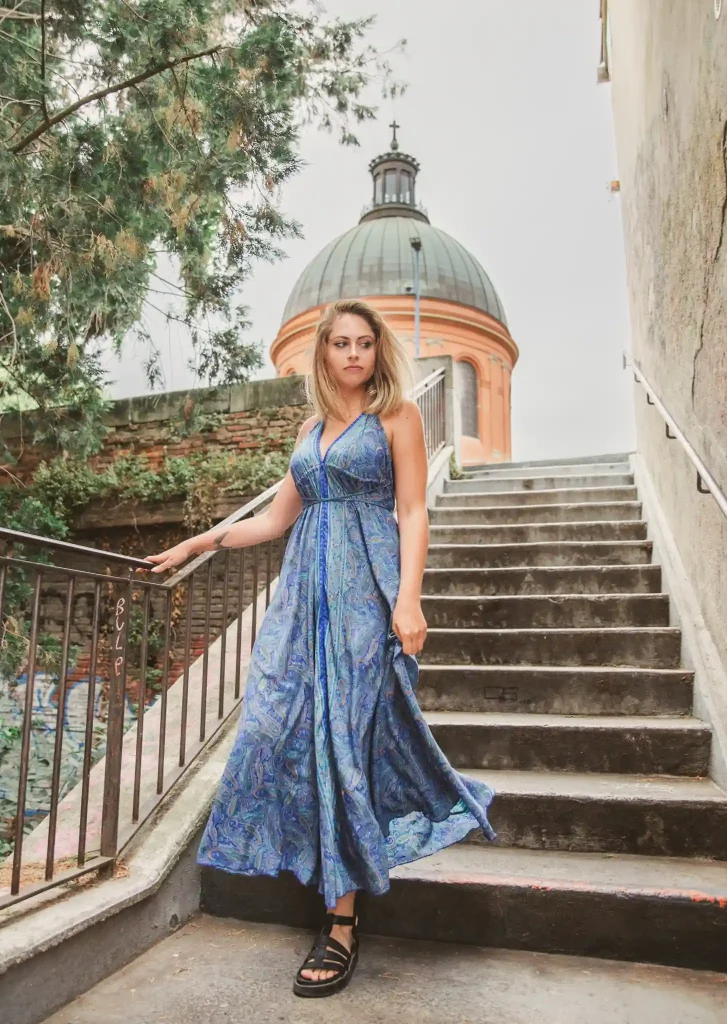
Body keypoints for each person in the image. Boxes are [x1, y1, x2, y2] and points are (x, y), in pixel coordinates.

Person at [145, 299, 496, 998]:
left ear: (377, 352)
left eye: (365, 343)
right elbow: (275, 519)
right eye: (341, 343)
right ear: (324, 354)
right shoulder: (310, 431)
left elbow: (414, 508)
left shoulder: (397, 415)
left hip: (367, 591)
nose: (354, 354)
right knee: (277, 724)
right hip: (303, 598)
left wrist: (409, 598)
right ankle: (316, 858)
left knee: (346, 739)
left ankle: (340, 922)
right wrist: (199, 540)